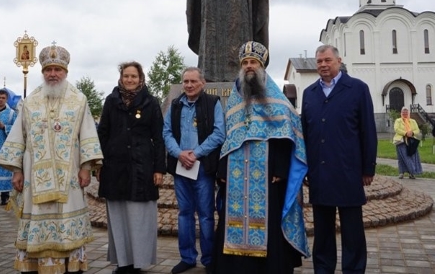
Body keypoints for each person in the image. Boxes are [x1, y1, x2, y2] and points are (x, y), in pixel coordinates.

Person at [0, 43, 103, 274]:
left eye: (57, 70)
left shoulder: (79, 100)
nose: (53, 74)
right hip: (34, 173)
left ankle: (71, 265)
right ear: (42, 72)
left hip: (70, 174)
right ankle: (35, 265)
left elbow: (87, 135)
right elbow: (18, 136)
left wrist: (86, 168)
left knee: (67, 216)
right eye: (48, 70)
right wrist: (17, 170)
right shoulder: (30, 101)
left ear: (66, 72)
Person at [214, 42, 308, 274]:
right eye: (245, 63)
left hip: (268, 174)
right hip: (236, 175)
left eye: (253, 62)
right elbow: (228, 139)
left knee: (269, 223)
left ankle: (270, 267)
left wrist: (280, 168)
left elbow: (288, 137)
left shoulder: (277, 99)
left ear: (262, 66)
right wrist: (223, 171)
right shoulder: (235, 101)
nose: (248, 66)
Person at [301, 45, 378, 274]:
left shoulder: (357, 89)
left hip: (348, 172)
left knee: (352, 231)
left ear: (339, 61)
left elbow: (368, 131)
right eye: (319, 62)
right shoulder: (310, 93)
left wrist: (368, 168)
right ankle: (323, 269)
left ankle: (353, 269)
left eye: (327, 60)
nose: (323, 65)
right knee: (322, 232)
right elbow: (305, 133)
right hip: (320, 174)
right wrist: (305, 167)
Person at [97, 61, 166, 274]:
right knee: (118, 216)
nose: (129, 80)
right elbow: (103, 133)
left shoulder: (151, 102)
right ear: (121, 77)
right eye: (126, 76)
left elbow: (158, 137)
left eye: (133, 76)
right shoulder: (111, 101)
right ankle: (123, 261)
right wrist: (98, 163)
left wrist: (159, 169)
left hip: (142, 167)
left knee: (139, 216)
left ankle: (139, 261)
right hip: (114, 166)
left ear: (140, 78)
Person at [163, 67, 226, 274]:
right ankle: (187, 257)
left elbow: (219, 133)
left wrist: (196, 153)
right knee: (185, 214)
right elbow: (167, 132)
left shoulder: (213, 103)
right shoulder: (175, 104)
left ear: (203, 83)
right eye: (186, 81)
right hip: (181, 168)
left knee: (207, 215)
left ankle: (208, 259)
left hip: (203, 170)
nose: (189, 85)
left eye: (193, 81)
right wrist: (179, 153)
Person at [393, 107, 423, 179]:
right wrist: (405, 133)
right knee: (402, 157)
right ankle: (401, 172)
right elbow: (396, 129)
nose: (405, 113)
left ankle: (412, 173)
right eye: (403, 112)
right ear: (401, 113)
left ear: (408, 113)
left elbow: (417, 130)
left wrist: (412, 133)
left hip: (411, 141)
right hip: (401, 141)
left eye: (406, 112)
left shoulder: (413, 121)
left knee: (412, 156)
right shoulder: (398, 120)